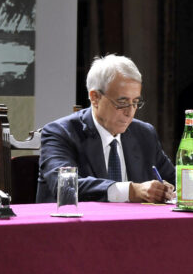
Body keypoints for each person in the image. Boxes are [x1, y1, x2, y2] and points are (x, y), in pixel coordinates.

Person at [37, 55, 175, 203]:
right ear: (95, 98)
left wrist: (180, 189)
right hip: (78, 224)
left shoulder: (144, 133)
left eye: (135, 102)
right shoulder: (60, 133)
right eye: (122, 102)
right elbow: (65, 186)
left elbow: (175, 180)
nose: (130, 112)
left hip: (134, 224)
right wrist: (130, 191)